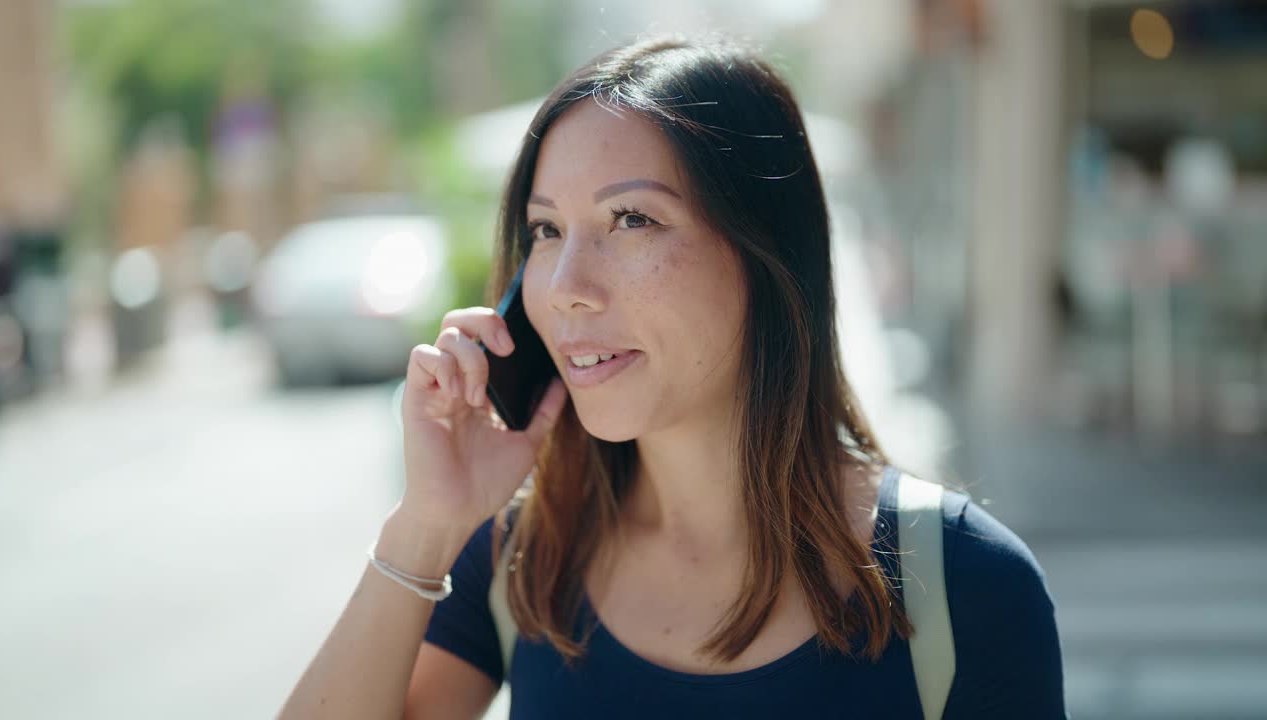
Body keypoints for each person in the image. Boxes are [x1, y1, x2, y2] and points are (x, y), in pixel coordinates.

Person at [278, 35, 1067, 719]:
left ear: (763, 258)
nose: (565, 287)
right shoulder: (524, 556)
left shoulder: (962, 582)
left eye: (632, 220)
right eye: (546, 230)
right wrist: (426, 526)